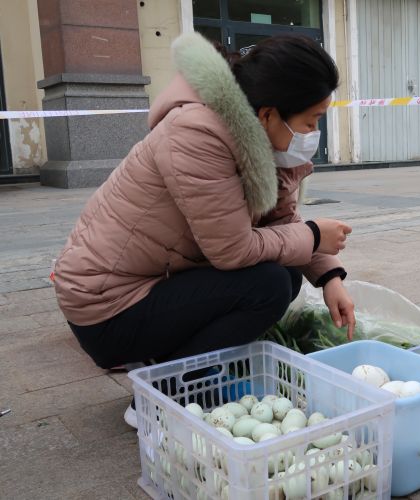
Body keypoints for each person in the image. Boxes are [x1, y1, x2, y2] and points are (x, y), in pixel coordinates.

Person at [53, 32, 356, 426]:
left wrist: (330, 276)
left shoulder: (263, 142)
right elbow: (232, 250)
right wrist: (315, 235)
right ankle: (163, 394)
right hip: (107, 307)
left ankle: (172, 362)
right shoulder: (198, 134)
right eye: (311, 120)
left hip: (152, 285)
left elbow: (280, 222)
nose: (314, 133)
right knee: (266, 285)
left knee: (285, 273)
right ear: (267, 113)